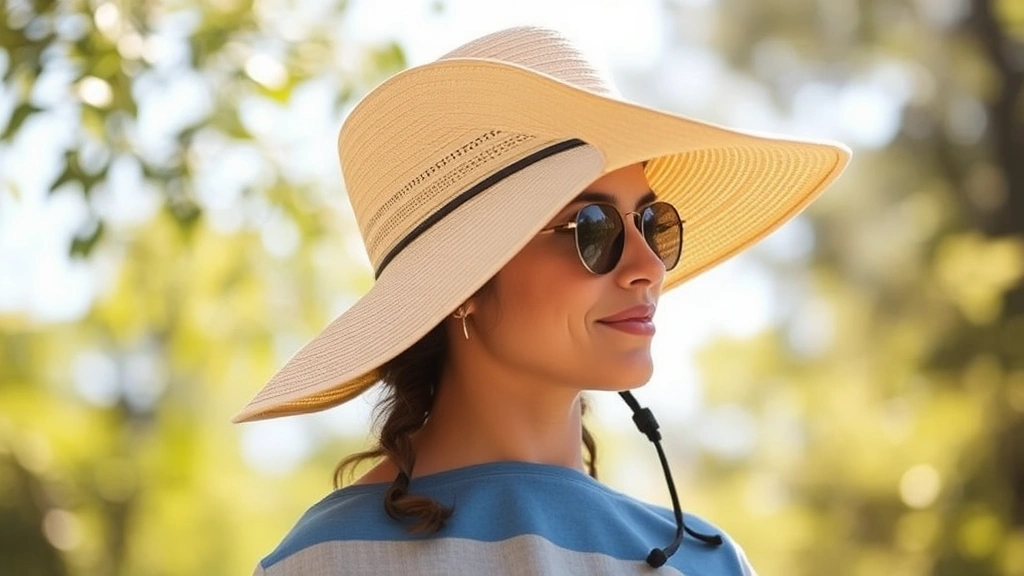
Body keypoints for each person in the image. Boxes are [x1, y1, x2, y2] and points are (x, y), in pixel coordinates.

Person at [234, 25, 850, 575]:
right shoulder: (324, 564)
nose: (648, 266)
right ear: (464, 287)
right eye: (594, 228)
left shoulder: (708, 562)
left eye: (653, 221)